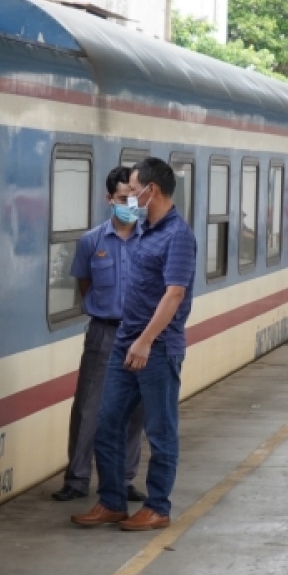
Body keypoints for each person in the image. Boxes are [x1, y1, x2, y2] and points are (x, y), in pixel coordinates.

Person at [73, 157, 197, 531]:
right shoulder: (143, 229)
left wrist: (144, 342)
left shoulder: (178, 235)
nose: (130, 196)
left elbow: (174, 294)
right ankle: (112, 500)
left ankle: (158, 506)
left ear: (151, 190)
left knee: (159, 432)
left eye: (134, 188)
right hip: (126, 341)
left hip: (156, 348)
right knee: (107, 423)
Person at [53, 167, 146, 503]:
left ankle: (123, 479)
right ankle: (77, 479)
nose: (130, 204)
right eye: (124, 198)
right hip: (104, 333)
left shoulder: (151, 239)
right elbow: (84, 285)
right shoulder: (91, 241)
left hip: (141, 335)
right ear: (110, 199)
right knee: (88, 407)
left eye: (135, 198)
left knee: (136, 410)